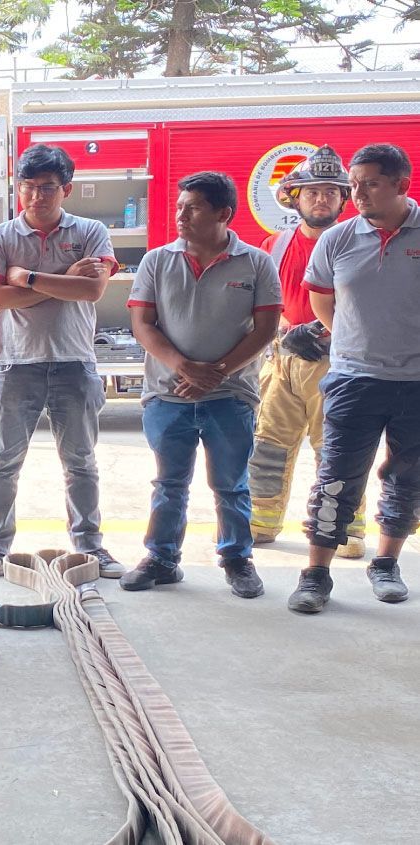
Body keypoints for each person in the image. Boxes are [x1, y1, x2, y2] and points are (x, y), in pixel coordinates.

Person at [124, 172, 282, 598]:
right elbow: (142, 324)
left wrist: (218, 373)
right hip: (167, 393)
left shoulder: (256, 263)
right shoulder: (157, 261)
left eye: (192, 208)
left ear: (223, 213)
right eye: (180, 207)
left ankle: (237, 559)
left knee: (231, 484)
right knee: (169, 483)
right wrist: (185, 368)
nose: (181, 215)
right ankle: (161, 558)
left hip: (231, 396)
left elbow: (266, 328)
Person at [0, 144, 124, 580]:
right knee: (3, 464)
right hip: (13, 364)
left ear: (66, 190)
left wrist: (28, 278)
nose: (37, 196)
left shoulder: (91, 231)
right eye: (28, 187)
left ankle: (90, 546)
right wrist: (64, 280)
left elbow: (91, 291)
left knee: (81, 463)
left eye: (48, 188)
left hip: (74, 361)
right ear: (18, 188)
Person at [289, 143, 420, 613]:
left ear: (401, 184)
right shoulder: (338, 239)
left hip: (416, 383)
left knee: (408, 479)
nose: (357, 193)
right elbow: (321, 298)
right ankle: (315, 575)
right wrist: (349, 339)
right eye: (354, 184)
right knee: (336, 480)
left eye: (370, 184)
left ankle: (385, 564)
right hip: (353, 379)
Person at [248, 146, 366, 558]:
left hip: (337, 361)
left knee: (337, 449)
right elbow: (262, 301)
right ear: (294, 197)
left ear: (343, 199)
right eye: (312, 192)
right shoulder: (274, 245)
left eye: (331, 192)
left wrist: (332, 335)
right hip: (282, 360)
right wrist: (285, 332)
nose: (321, 199)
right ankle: (261, 522)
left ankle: (344, 530)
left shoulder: (357, 243)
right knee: (268, 445)